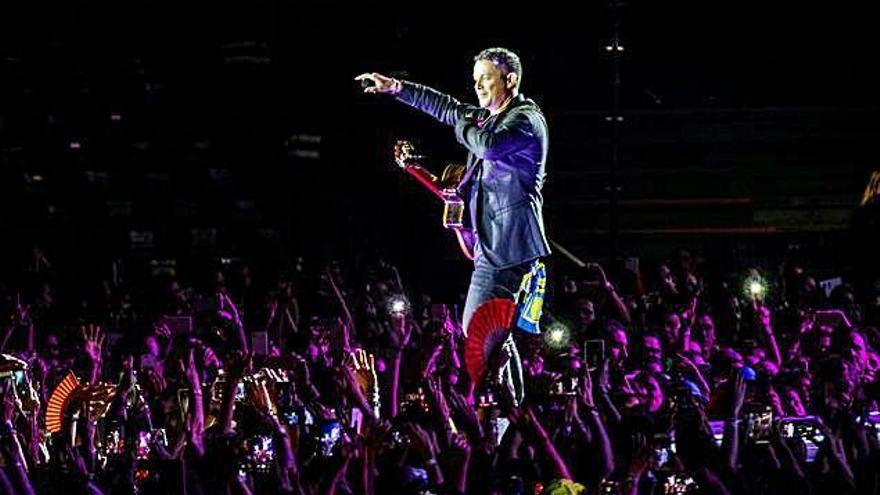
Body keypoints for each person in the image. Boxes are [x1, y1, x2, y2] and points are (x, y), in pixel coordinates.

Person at [356, 47, 551, 402]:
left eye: (486, 79)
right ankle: (511, 402)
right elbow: (446, 106)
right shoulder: (490, 117)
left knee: (479, 328)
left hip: (509, 243)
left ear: (510, 80)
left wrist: (462, 124)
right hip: (490, 241)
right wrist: (398, 87)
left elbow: (488, 147)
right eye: (475, 80)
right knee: (485, 330)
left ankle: (506, 406)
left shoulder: (525, 120)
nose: (477, 86)